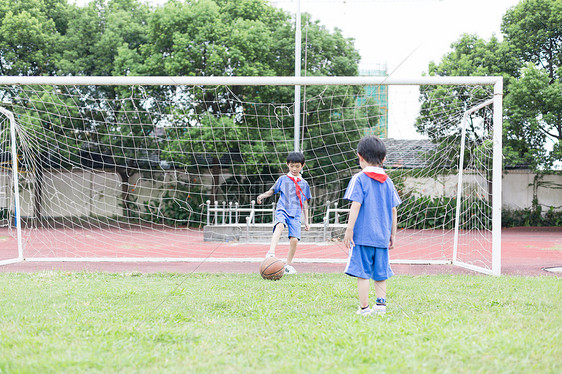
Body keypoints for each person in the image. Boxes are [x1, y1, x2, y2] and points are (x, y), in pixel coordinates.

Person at [343, 136, 401, 316]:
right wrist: (393, 235)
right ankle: (381, 306)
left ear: (359, 157)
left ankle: (364, 308)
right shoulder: (388, 181)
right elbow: (393, 210)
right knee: (381, 273)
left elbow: (356, 204)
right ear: (383, 159)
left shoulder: (359, 178)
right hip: (382, 236)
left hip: (362, 236)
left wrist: (349, 229)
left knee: (363, 273)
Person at [257, 152, 311, 275]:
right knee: (280, 225)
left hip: (296, 214)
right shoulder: (282, 179)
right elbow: (272, 191)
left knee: (294, 240)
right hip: (283, 209)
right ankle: (270, 252)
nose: (294, 169)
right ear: (287, 165)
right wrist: (262, 196)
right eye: (292, 166)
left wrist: (307, 221)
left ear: (302, 166)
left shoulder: (304, 184)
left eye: (297, 166)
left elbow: (306, 203)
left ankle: (287, 265)